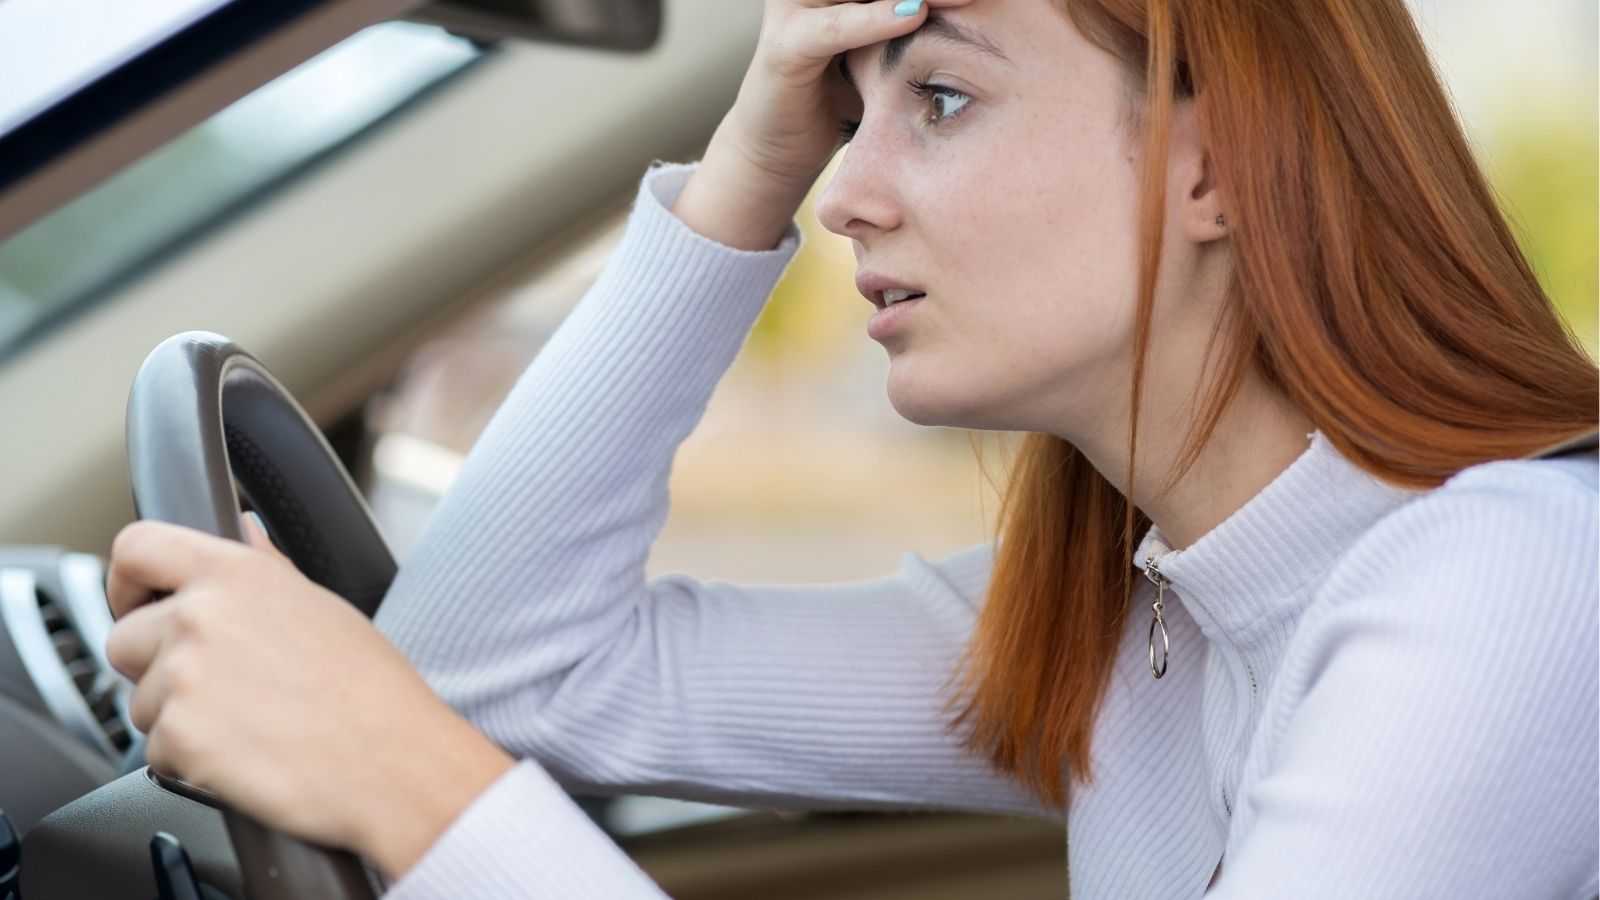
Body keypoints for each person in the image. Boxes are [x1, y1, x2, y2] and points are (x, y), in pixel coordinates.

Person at [101, 0, 1599, 897]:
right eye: (845, 118)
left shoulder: (1508, 583)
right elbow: (498, 669)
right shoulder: (1146, 624)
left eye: (940, 97)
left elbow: (432, 722)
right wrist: (749, 155)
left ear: (1215, 164)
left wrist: (419, 795)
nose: (845, 194)